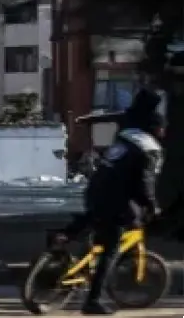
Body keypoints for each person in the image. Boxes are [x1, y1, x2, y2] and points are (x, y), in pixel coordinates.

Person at [54, 88, 164, 315]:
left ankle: (63, 238)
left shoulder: (128, 123)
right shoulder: (148, 148)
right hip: (118, 196)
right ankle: (93, 300)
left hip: (97, 184)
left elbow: (111, 116)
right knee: (111, 248)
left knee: (95, 216)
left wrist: (87, 119)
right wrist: (152, 205)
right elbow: (144, 182)